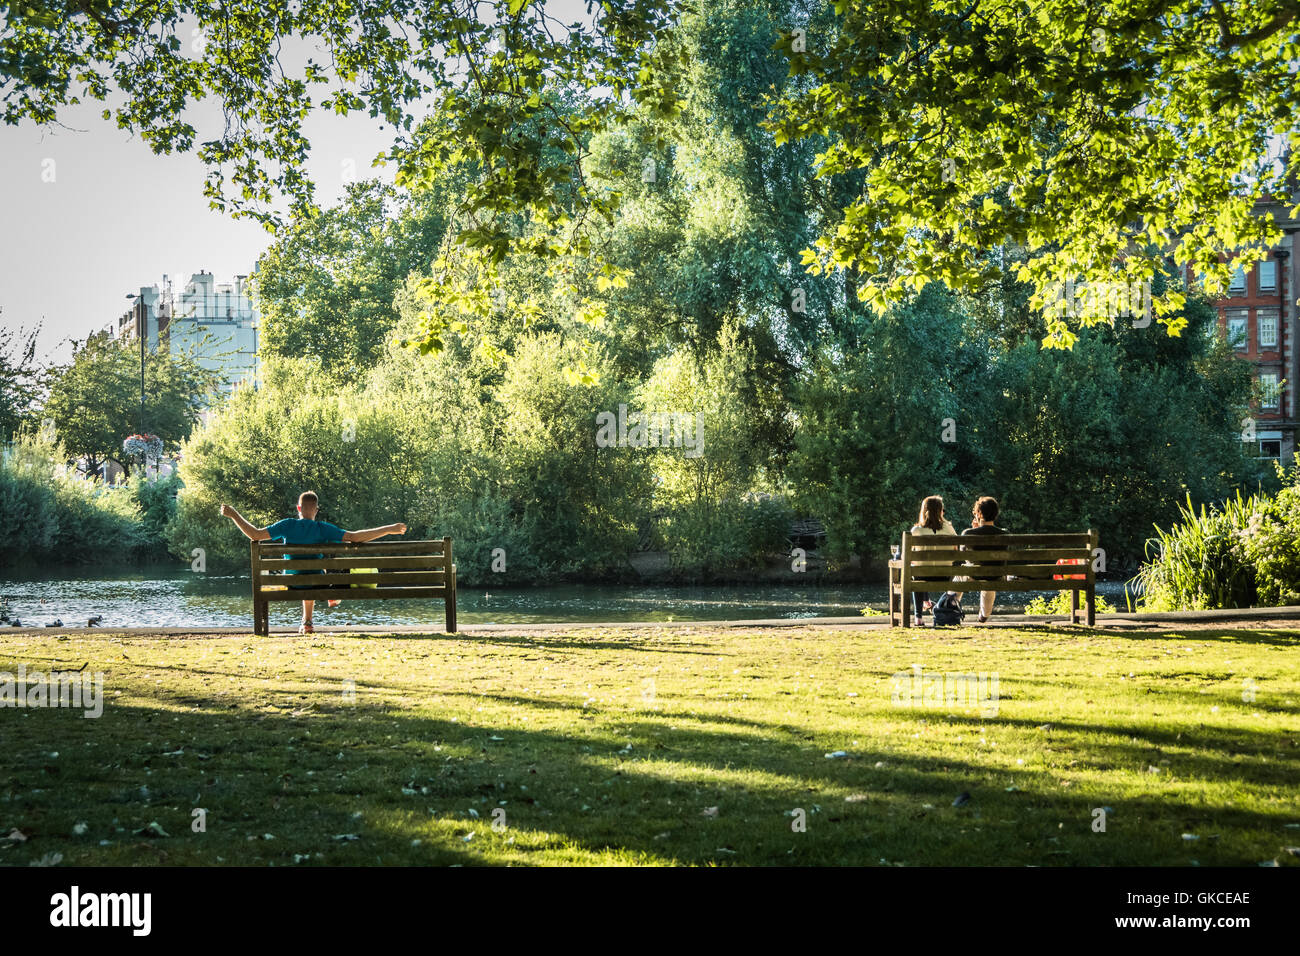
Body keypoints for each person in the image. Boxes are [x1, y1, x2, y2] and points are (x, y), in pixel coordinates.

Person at [220, 491, 407, 634]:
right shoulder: (322, 528)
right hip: (318, 582)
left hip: (291, 583)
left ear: (298, 508)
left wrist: (234, 514)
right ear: (316, 510)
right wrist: (390, 528)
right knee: (318, 573)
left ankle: (307, 621)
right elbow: (355, 537)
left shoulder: (287, 525)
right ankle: (321, 607)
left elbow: (255, 535)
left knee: (304, 573)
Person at [953, 495, 1007, 624]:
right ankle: (983, 615)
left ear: (979, 514)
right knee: (990, 577)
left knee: (960, 574)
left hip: (975, 575)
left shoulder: (968, 533)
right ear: (995, 514)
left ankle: (951, 606)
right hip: (997, 575)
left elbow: (962, 556)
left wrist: (975, 529)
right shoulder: (1004, 534)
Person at [907, 495, 956, 626]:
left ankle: (918, 617)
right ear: (940, 511)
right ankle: (927, 601)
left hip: (922, 576)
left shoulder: (916, 530)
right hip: (945, 576)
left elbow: (909, 556)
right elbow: (956, 550)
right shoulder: (948, 529)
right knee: (921, 569)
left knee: (916, 570)